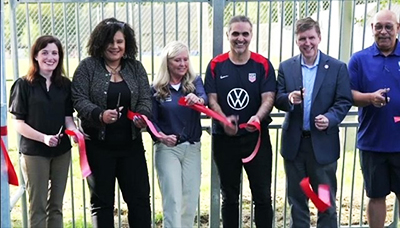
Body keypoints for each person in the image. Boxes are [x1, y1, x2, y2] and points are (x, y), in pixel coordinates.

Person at [71, 18, 152, 228]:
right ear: (100, 43)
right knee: (102, 203)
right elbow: (79, 98)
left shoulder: (135, 68)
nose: (115, 46)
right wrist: (99, 114)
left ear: (127, 43)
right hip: (98, 147)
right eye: (110, 41)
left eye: (119, 41)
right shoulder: (87, 67)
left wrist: (141, 115)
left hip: (131, 147)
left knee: (140, 200)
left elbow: (145, 98)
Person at [275, 17, 352, 228]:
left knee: (325, 202)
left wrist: (330, 118)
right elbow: (277, 97)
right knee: (297, 201)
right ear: (296, 40)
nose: (307, 43)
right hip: (295, 147)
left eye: (311, 38)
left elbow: (344, 100)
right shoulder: (286, 67)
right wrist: (289, 99)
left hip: (323, 149)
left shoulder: (337, 68)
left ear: (319, 38)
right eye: (302, 39)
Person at [204, 15, 276, 227]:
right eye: (235, 33)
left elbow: (269, 97)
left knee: (263, 196)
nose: (240, 38)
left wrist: (258, 117)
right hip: (224, 139)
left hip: (256, 139)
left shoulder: (262, 64)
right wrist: (223, 119)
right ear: (228, 35)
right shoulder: (216, 65)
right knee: (230, 197)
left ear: (251, 36)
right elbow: (211, 99)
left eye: (245, 33)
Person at [9, 35, 78, 228]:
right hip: (34, 153)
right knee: (37, 206)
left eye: (55, 53)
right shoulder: (23, 85)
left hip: (61, 152)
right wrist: (44, 138)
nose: (50, 57)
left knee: (56, 206)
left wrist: (76, 133)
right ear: (36, 56)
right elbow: (18, 123)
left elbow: (68, 119)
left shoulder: (65, 85)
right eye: (45, 52)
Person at [348, 9, 400, 228]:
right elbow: (348, 94)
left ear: (398, 29)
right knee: (376, 196)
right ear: (372, 29)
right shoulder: (359, 60)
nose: (384, 31)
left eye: (389, 26)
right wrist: (370, 98)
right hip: (372, 142)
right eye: (378, 26)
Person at [151, 41, 208, 227]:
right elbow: (152, 120)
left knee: (189, 200)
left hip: (192, 148)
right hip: (168, 149)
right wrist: (161, 137)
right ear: (167, 62)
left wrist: (197, 99)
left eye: (185, 59)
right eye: (177, 60)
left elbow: (204, 98)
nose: (183, 64)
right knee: (173, 200)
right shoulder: (157, 88)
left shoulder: (194, 82)